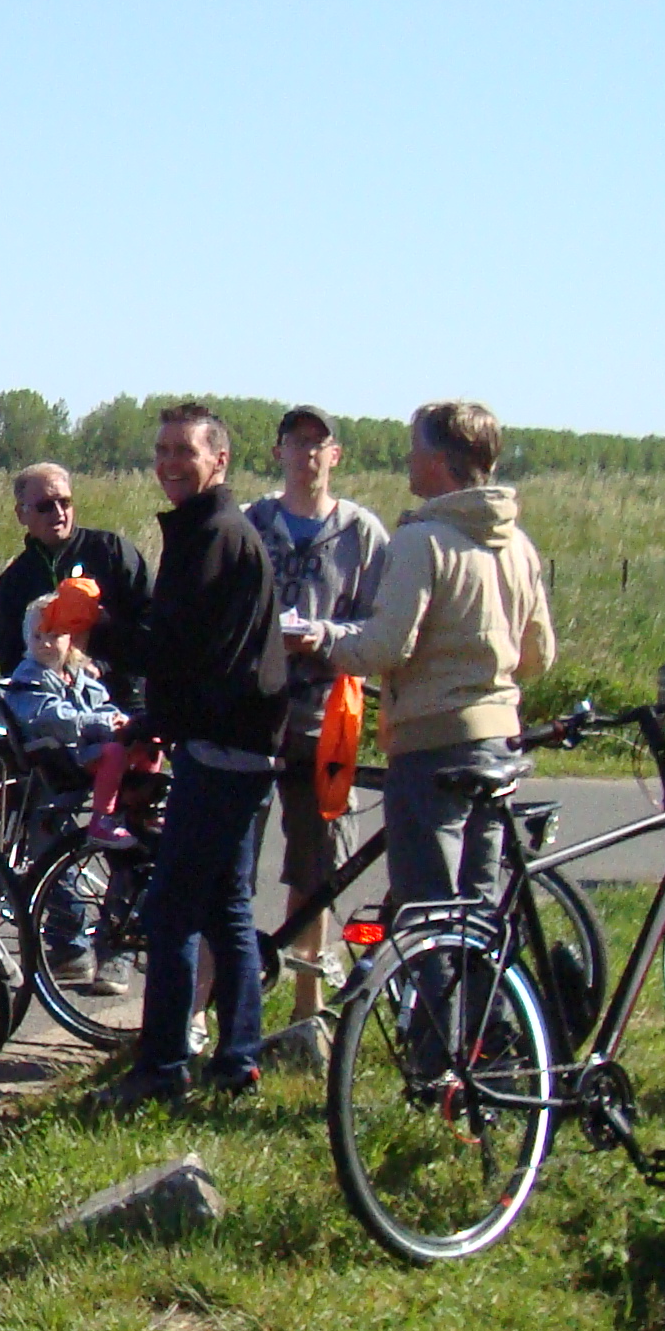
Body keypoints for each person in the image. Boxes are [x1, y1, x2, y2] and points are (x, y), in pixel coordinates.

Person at [294, 399, 555, 926]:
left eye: (415, 449)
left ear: (439, 460)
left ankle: (435, 1009)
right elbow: (538, 656)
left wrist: (318, 639)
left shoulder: (421, 541)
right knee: (478, 914)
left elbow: (386, 649)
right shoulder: (518, 545)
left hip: (431, 745)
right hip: (499, 739)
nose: (408, 460)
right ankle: (489, 1006)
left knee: (428, 912)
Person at [99, 402, 282, 1107]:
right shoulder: (212, 531)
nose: (171, 462)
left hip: (225, 748)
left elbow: (179, 651)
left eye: (186, 450)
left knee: (173, 910)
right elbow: (199, 654)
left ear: (220, 461)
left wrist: (99, 631)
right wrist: (158, 717)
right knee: (226, 907)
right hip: (235, 741)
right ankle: (238, 1059)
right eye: (163, 449)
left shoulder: (211, 536)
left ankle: (163, 1067)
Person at [246, 407, 391, 1021]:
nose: (305, 454)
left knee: (319, 861)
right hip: (254, 713)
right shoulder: (253, 522)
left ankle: (308, 1005)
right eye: (294, 442)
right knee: (231, 858)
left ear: (336, 455)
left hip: (327, 714)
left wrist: (324, 635)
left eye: (317, 443)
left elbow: (384, 623)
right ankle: (209, 1006)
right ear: (277, 452)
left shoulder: (361, 533)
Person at [0, 463, 151, 688]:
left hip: (120, 696)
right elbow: (11, 660)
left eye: (64, 502)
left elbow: (152, 626)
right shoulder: (15, 579)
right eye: (45, 506)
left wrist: (102, 657)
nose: (58, 512)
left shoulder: (110, 551)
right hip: (49, 707)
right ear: (21, 514)